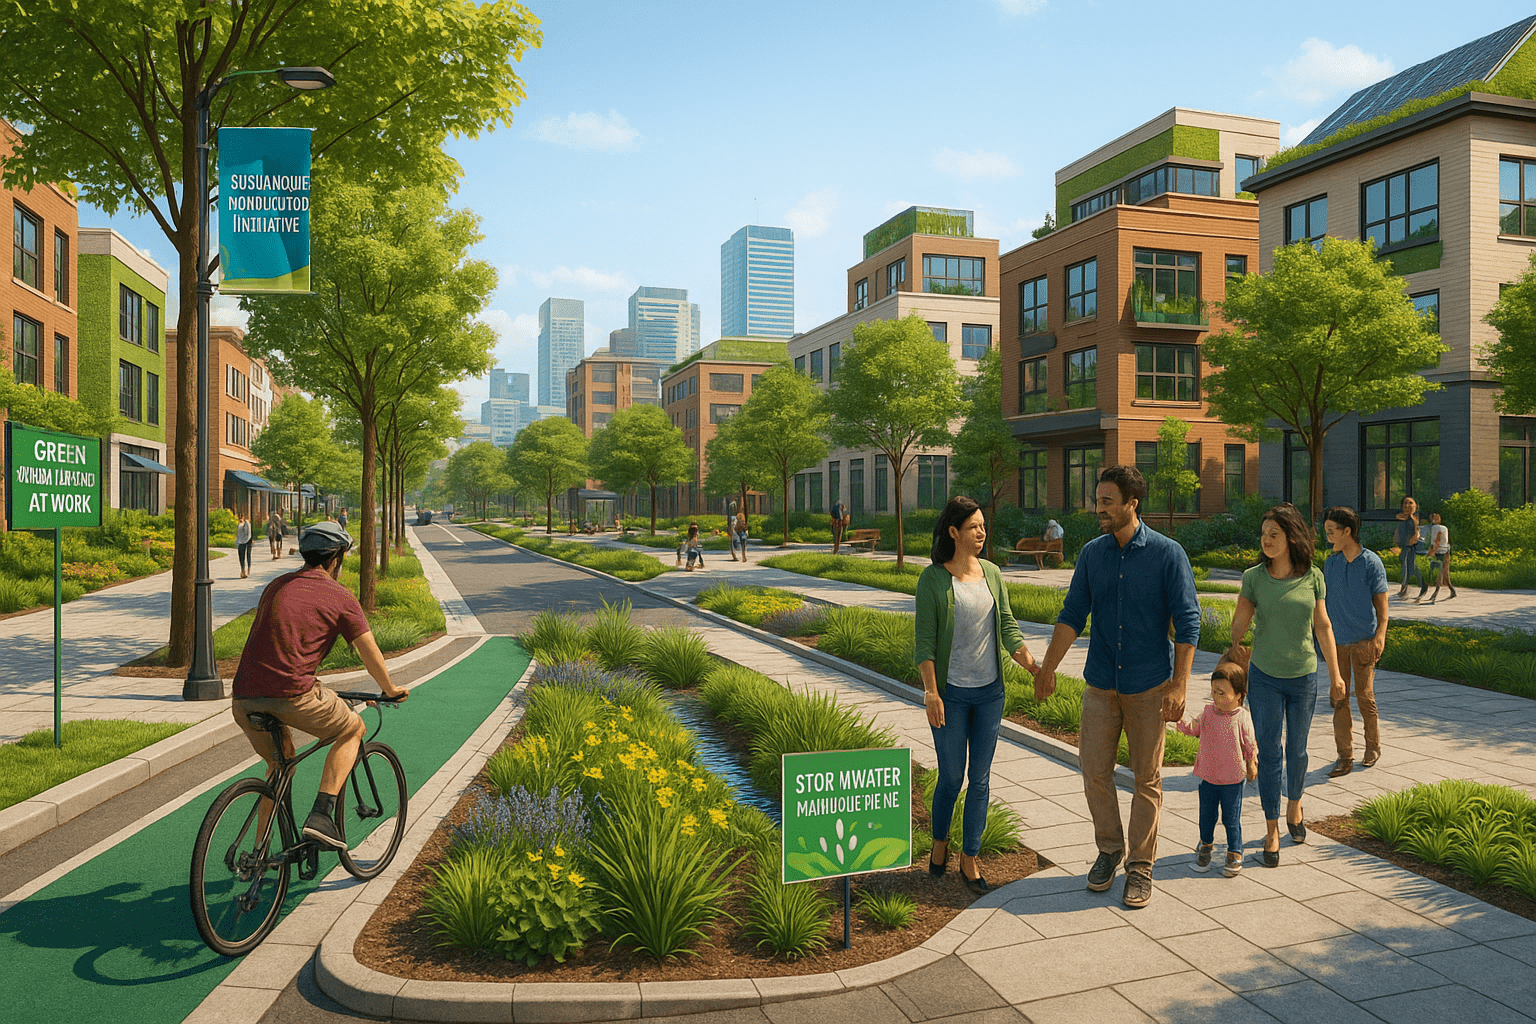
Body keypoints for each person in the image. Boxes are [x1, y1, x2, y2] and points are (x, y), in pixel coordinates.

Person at [1033, 466, 1200, 909]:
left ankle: (1141, 866)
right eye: (1097, 500)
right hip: (1102, 684)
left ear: (1132, 503)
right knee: (1094, 771)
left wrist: (1179, 685)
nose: (1098, 508)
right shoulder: (1092, 554)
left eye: (1107, 501)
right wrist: (1047, 669)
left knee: (1146, 778)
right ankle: (1109, 850)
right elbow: (1072, 614)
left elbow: (1188, 623)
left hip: (1149, 685)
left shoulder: (1168, 554)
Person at [229, 522, 409, 850]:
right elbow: (368, 651)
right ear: (335, 558)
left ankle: (258, 855)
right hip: (292, 695)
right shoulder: (340, 596)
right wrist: (390, 688)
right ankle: (321, 816)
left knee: (280, 763)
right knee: (352, 729)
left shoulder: (276, 585)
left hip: (243, 698)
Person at [914, 496, 1037, 895]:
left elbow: (1008, 629)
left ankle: (970, 858)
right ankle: (939, 845)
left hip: (989, 694)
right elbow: (925, 644)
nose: (982, 533)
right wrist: (931, 692)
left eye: (983, 526)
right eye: (973, 527)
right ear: (954, 532)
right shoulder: (933, 579)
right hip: (950, 695)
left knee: (980, 780)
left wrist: (1035, 666)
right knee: (950, 776)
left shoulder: (992, 574)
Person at [1227, 504, 1344, 868]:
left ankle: (1295, 807)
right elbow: (1239, 622)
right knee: (1269, 752)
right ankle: (1272, 827)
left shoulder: (1313, 577)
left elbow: (1323, 627)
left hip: (1304, 675)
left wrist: (1336, 676)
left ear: (1291, 537)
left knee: (1297, 750)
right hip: (1264, 676)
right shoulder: (1254, 577)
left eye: (1274, 535)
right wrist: (1235, 645)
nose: (1266, 541)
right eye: (1263, 535)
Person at [1174, 648, 1257, 877]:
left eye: (1222, 693)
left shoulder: (1242, 717)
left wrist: (1251, 764)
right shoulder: (1208, 713)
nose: (1215, 697)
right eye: (1213, 691)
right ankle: (1206, 848)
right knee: (1206, 816)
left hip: (1232, 779)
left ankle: (1235, 852)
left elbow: (1250, 744)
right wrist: (1178, 720)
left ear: (1240, 694)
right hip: (1209, 776)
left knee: (1231, 818)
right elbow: (1194, 728)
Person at [1322, 506, 1389, 778]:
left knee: (1365, 697)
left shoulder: (1371, 562)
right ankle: (1344, 755)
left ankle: (1372, 746)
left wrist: (1380, 636)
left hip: (1364, 642)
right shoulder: (1331, 563)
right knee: (1339, 699)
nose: (1327, 536)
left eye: (1331, 531)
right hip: (1336, 643)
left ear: (1347, 531)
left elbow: (1382, 605)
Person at [1420, 511, 1456, 603]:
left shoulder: (1436, 528)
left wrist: (1431, 552)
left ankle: (1435, 593)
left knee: (1439, 572)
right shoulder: (1443, 528)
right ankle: (1452, 590)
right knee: (1444, 572)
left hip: (1439, 552)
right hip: (1445, 550)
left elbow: (1437, 540)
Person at [1392, 496, 1423, 599]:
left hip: (1410, 547)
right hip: (1404, 546)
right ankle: (1418, 584)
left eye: (1410, 503)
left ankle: (1405, 588)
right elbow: (1397, 531)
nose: (1407, 505)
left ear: (1415, 506)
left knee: (1407, 567)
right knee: (1409, 567)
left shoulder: (1413, 520)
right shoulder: (1401, 519)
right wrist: (1395, 544)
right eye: (1405, 503)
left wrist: (1409, 544)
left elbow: (1416, 534)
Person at [236, 513, 253, 579]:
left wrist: (246, 541)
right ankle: (242, 570)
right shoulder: (239, 524)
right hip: (240, 542)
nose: (240, 518)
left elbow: (248, 534)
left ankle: (247, 570)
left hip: (247, 542)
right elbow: (238, 534)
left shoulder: (247, 524)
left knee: (248, 555)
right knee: (241, 557)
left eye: (241, 517)